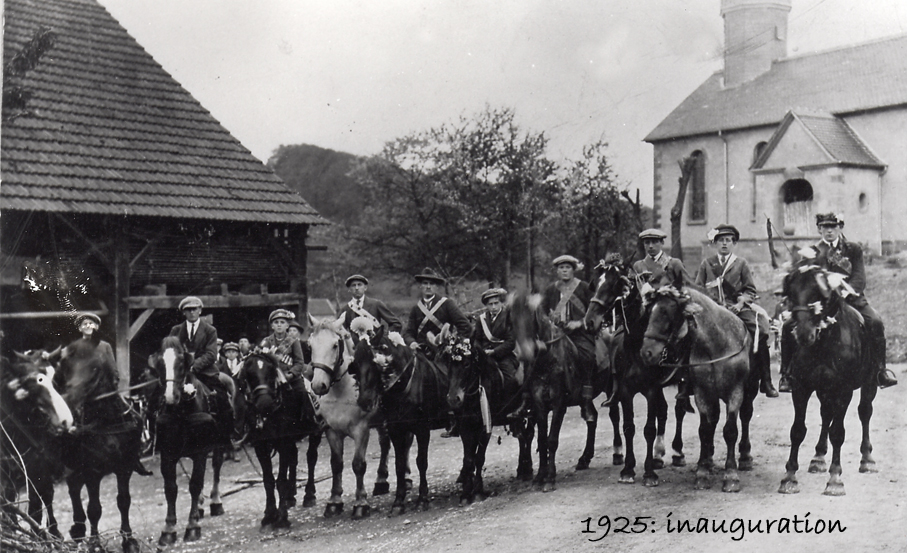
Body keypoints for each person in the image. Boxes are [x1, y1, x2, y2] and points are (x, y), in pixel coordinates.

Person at [779, 213, 897, 391]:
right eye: (824, 227)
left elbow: (859, 278)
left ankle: (880, 371)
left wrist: (842, 293)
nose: (829, 230)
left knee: (876, 322)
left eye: (833, 226)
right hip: (821, 304)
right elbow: (806, 280)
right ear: (819, 229)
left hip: (852, 300)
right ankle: (787, 374)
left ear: (840, 227)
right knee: (788, 326)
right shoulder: (813, 251)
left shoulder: (853, 249)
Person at [695, 224, 778, 397]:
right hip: (712, 310)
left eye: (728, 240)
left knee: (761, 330)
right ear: (715, 243)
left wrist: (740, 304)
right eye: (720, 241)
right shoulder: (706, 264)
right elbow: (698, 289)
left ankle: (766, 380)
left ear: (733, 244)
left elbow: (750, 290)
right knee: (691, 332)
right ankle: (686, 383)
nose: (724, 244)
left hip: (737, 309)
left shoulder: (741, 264)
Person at [543, 255, 598, 421]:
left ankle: (587, 401)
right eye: (561, 268)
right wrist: (549, 321)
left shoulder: (584, 288)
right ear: (557, 271)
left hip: (579, 334)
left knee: (588, 357)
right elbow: (543, 312)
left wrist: (579, 323)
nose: (564, 270)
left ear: (573, 270)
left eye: (568, 267)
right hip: (556, 334)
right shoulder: (551, 289)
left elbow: (593, 312)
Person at [168, 296, 234, 425]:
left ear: (200, 310)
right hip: (180, 374)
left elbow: (211, 354)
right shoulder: (175, 330)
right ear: (184, 312)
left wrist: (192, 366)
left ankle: (226, 435)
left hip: (205, 372)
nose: (192, 312)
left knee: (221, 398)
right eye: (188, 310)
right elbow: (170, 352)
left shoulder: (210, 330)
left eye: (195, 309)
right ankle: (154, 436)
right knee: (158, 397)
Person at [403, 268, 472, 352]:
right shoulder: (416, 309)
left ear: (437, 287)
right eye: (425, 283)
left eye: (432, 284)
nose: (428, 287)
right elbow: (408, 333)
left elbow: (465, 326)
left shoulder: (447, 304)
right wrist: (412, 343)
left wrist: (456, 344)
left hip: (444, 352)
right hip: (422, 353)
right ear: (420, 286)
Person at [472, 288, 519, 385]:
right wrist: (481, 351)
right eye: (490, 304)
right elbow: (477, 339)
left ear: (501, 303)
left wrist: (494, 351)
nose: (493, 307)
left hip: (503, 356)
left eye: (496, 303)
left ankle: (509, 400)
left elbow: (511, 342)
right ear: (486, 305)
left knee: (510, 379)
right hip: (484, 356)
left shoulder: (509, 317)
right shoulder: (481, 319)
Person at [337, 274, 403, 337]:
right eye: (353, 285)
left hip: (375, 346)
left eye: (359, 285)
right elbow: (339, 329)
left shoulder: (376, 304)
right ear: (349, 289)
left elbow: (396, 324)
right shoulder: (345, 309)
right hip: (355, 347)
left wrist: (384, 337)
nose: (356, 288)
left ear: (365, 288)